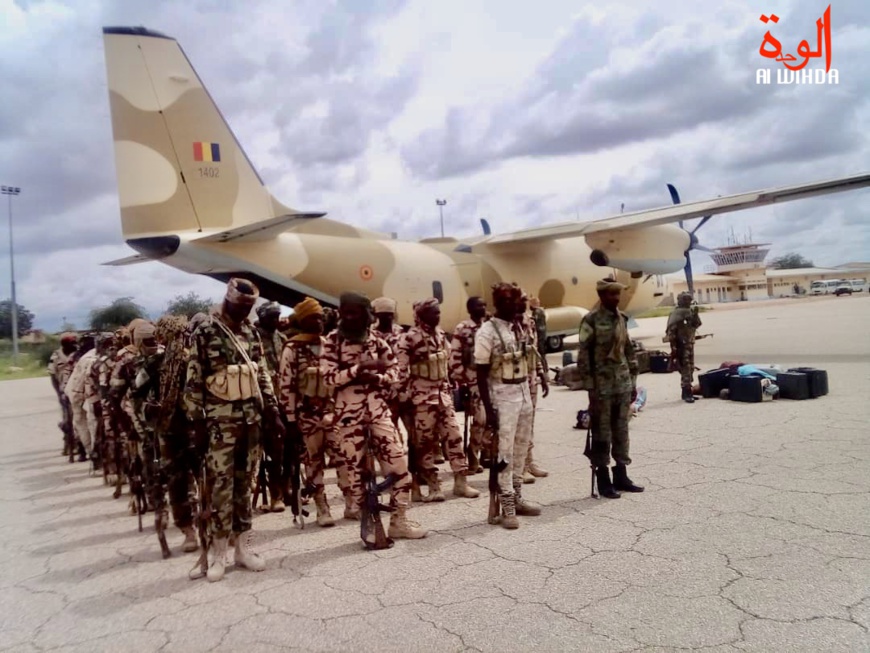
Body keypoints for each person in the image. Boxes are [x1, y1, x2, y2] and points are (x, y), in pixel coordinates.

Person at [184, 279, 285, 582]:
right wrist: (197, 423)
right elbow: (193, 381)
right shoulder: (206, 332)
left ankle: (244, 549)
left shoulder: (250, 333)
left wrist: (273, 412)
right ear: (228, 300)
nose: (245, 312)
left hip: (250, 421)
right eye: (241, 306)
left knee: (246, 486)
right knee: (219, 490)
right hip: (218, 425)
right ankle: (218, 555)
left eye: (249, 307)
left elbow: (261, 375)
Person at [320, 291, 427, 541]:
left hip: (379, 414)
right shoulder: (332, 342)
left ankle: (398, 522)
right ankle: (368, 524)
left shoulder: (377, 340)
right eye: (345, 312)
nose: (349, 317)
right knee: (356, 478)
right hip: (349, 418)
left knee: (400, 470)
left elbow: (395, 372)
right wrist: (359, 370)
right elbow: (328, 379)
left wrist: (377, 377)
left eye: (354, 313)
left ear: (367, 315)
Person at [398, 298, 479, 502]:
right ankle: (433, 485)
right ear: (421, 315)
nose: (438, 316)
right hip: (422, 399)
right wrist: (403, 397)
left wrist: (459, 383)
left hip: (443, 396)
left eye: (438, 312)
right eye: (433, 313)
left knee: (454, 436)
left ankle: (461, 482)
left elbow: (448, 362)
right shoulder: (409, 338)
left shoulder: (441, 334)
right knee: (424, 444)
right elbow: (400, 371)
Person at [475, 283, 541, 529]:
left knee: (521, 450)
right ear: (499, 303)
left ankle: (517, 497)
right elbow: (481, 373)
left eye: (515, 300)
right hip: (502, 399)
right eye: (509, 301)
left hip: (523, 395)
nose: (515, 305)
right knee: (504, 455)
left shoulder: (517, 327)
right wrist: (489, 411)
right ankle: (507, 507)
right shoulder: (487, 331)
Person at [279, 297, 346, 525]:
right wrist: (290, 421)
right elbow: (286, 386)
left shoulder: (328, 344)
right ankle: (322, 507)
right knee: (313, 463)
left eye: (320, 318)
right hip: (307, 417)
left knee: (343, 457)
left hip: (332, 413)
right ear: (305, 320)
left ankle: (351, 502)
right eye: (314, 318)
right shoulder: (292, 349)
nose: (319, 322)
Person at [577, 279, 643, 499]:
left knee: (622, 432)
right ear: (602, 296)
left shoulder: (622, 319)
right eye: (612, 295)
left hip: (622, 385)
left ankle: (621, 475)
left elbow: (629, 353)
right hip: (602, 388)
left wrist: (633, 383)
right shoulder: (590, 321)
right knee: (602, 433)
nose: (616, 298)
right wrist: (590, 388)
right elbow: (583, 356)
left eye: (618, 294)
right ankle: (604, 479)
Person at [448, 296, 489, 473]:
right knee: (480, 418)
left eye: (484, 305)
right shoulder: (463, 328)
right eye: (479, 305)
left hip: (491, 378)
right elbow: (455, 355)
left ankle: (486, 452)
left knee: (493, 418)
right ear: (470, 309)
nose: (483, 307)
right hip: (473, 379)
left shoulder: (490, 325)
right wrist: (461, 378)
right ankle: (473, 454)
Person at [255, 301, 287, 511]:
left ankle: (288, 489)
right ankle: (275, 493)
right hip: (263, 402)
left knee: (288, 449)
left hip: (284, 399)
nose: (276, 320)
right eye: (272, 316)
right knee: (271, 449)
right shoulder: (253, 338)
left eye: (278, 316)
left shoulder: (282, 339)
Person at [517, 293, 550, 483]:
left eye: (525, 301)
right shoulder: (508, 326)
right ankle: (519, 466)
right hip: (515, 381)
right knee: (518, 426)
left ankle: (529, 462)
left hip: (530, 379)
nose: (523, 304)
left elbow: (534, 350)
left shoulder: (529, 322)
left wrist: (541, 373)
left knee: (529, 423)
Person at [64, 335, 97, 462]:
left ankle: (89, 451)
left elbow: (71, 381)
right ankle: (88, 451)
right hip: (83, 394)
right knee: (86, 423)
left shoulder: (82, 358)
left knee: (81, 423)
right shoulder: (79, 358)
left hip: (79, 393)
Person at [666, 291, 703, 403]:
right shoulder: (676, 314)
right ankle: (686, 392)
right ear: (680, 300)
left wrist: (695, 315)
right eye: (685, 299)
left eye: (689, 299)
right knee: (685, 367)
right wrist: (674, 347)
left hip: (689, 343)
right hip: (681, 344)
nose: (688, 301)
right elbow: (671, 331)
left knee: (691, 367)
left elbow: (696, 324)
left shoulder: (690, 311)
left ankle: (687, 391)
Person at [48, 333, 78, 455]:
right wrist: (58, 393)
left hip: (77, 390)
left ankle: (77, 443)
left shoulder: (78, 354)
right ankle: (68, 443)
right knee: (67, 418)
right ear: (64, 345)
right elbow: (52, 375)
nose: (74, 346)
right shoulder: (55, 356)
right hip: (63, 390)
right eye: (72, 344)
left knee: (78, 419)